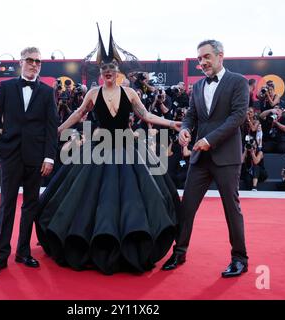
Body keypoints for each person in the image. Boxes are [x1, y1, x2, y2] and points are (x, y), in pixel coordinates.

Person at [36, 23, 181, 275]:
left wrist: (171, 122)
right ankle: (88, 240)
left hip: (127, 148)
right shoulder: (93, 92)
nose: (108, 72)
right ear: (100, 72)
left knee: (134, 195)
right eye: (104, 69)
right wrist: (58, 130)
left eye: (112, 68)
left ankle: (133, 241)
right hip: (97, 149)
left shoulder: (130, 93)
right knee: (88, 195)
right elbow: (79, 115)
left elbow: (145, 115)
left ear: (118, 71)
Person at [162, 40, 249, 278]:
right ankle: (179, 252)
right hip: (200, 157)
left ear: (220, 56)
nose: (202, 62)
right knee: (186, 207)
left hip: (226, 156)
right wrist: (184, 130)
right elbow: (191, 115)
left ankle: (239, 259)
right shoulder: (198, 86)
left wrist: (209, 140)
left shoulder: (238, 82)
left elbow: (238, 117)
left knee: (231, 209)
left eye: (206, 57)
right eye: (199, 59)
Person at [0, 46, 59, 276]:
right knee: (6, 204)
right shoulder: (6, 87)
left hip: (36, 157)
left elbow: (51, 127)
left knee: (30, 205)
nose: (35, 64)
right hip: (11, 154)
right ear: (21, 62)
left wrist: (49, 157)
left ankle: (24, 252)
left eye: (38, 61)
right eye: (30, 60)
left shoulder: (47, 92)